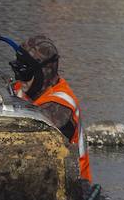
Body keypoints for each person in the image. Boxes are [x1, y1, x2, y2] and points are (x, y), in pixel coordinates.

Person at [10, 35, 92, 182]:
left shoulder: (60, 106)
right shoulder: (23, 88)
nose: (19, 78)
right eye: (17, 69)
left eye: (25, 73)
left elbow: (28, 143)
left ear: (43, 73)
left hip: (72, 184)